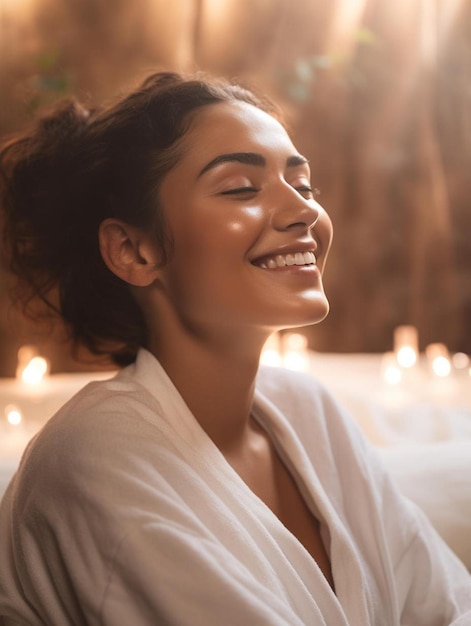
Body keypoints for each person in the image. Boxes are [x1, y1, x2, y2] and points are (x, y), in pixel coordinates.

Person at [0, 71, 469, 626]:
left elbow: (444, 605)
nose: (304, 212)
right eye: (241, 188)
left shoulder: (307, 409)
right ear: (133, 249)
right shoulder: (93, 459)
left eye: (304, 185)